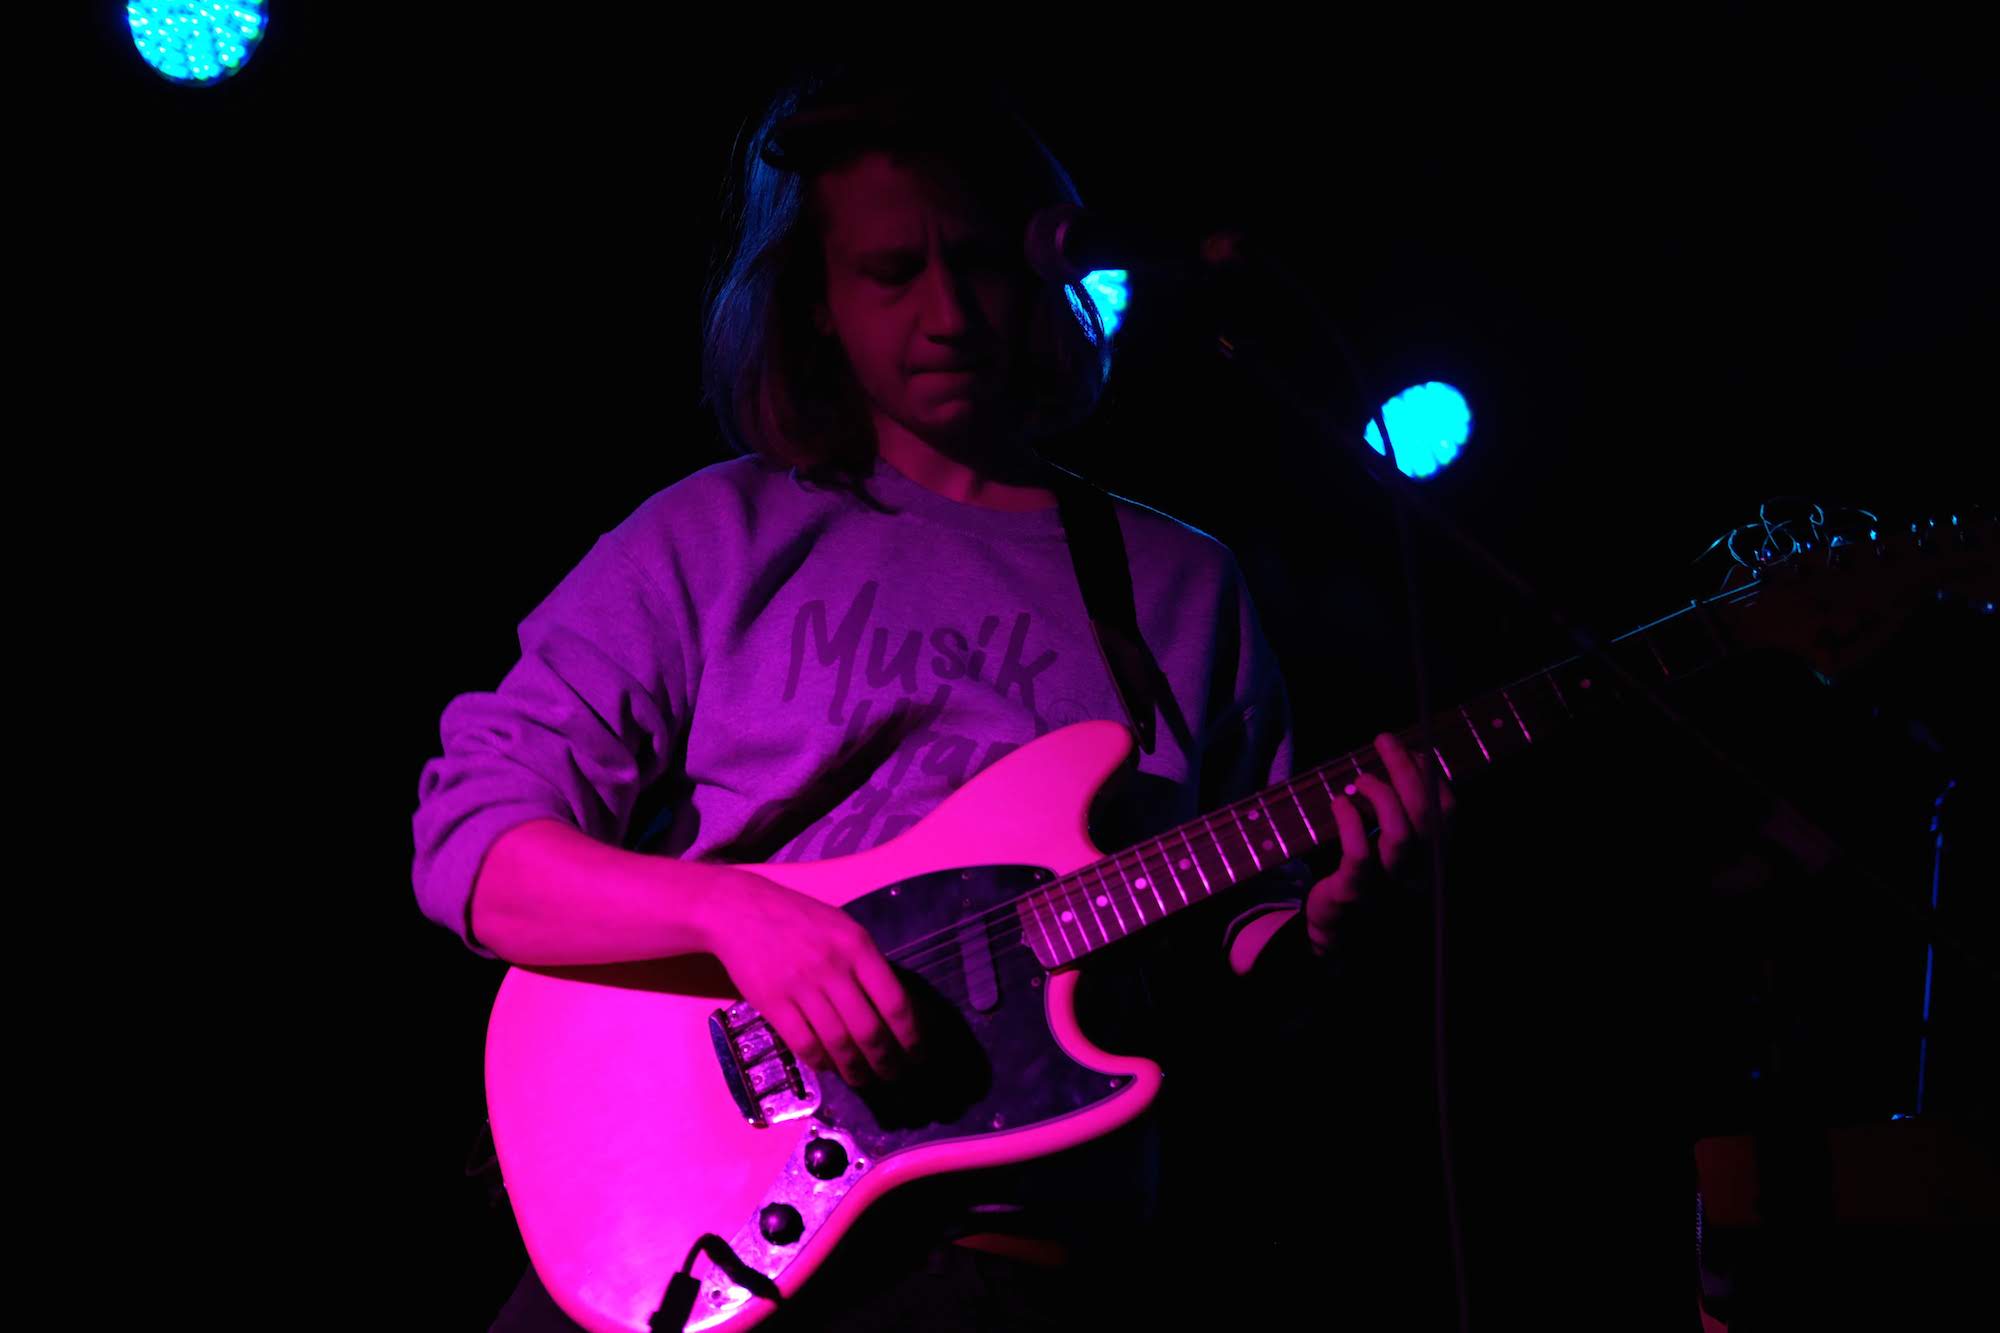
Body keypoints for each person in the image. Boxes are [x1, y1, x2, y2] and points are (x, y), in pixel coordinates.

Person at [412, 65, 1452, 1331]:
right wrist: (734, 915)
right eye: (890, 272)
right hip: (708, 1209)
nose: (950, 313)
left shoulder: (1178, 585)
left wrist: (1324, 928)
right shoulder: (709, 538)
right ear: (812, 304)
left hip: (1013, 1262)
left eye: (980, 261)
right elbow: (473, 850)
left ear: (1044, 269)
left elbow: (1229, 966)